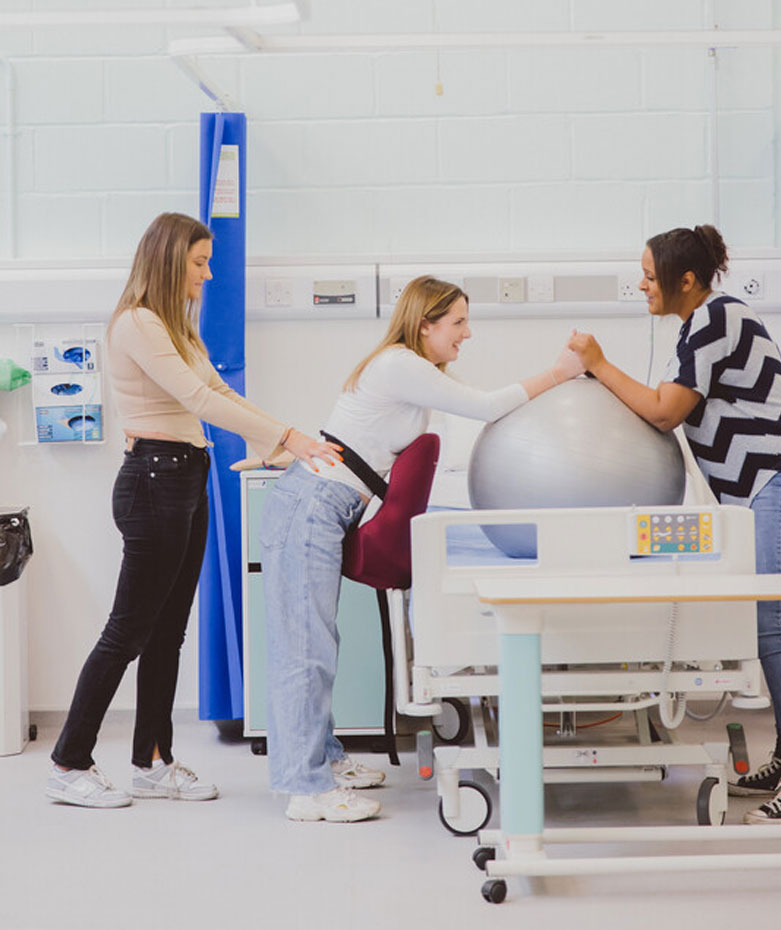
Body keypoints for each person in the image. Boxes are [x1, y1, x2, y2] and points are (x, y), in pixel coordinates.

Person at [261, 275, 584, 823]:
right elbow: (483, 407)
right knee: (305, 651)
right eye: (457, 322)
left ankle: (326, 760)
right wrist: (559, 374)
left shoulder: (407, 371)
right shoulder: (397, 364)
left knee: (319, 644)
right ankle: (304, 788)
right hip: (312, 506)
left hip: (323, 505)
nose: (467, 333)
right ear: (425, 323)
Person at [46, 212, 341, 809]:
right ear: (167, 261)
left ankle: (152, 761)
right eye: (199, 263)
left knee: (167, 632)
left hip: (186, 475)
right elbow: (198, 398)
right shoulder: (137, 324)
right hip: (153, 480)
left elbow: (222, 393)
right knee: (127, 630)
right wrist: (290, 438)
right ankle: (69, 760)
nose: (207, 275)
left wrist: (277, 445)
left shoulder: (177, 327)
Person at [568, 225, 781, 825]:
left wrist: (598, 363)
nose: (641, 284)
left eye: (649, 275)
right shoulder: (701, 326)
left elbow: (665, 411)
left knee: (774, 625)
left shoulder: (718, 318)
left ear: (685, 281)